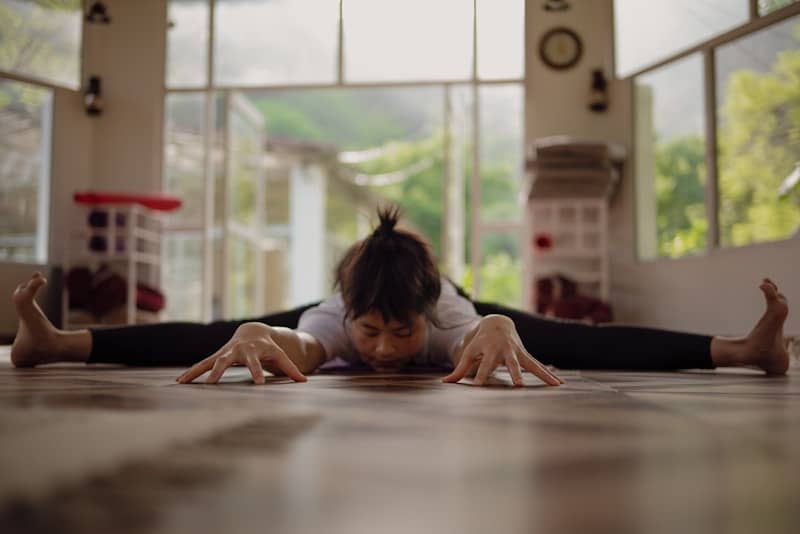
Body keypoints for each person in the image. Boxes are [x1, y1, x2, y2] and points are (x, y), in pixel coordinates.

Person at [9, 206, 790, 387]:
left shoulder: (444, 317)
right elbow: (307, 347)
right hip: (347, 300)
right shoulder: (336, 323)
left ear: (426, 316)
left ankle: (742, 350)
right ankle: (57, 343)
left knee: (557, 333)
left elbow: (471, 328)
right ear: (350, 317)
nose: (382, 351)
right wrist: (266, 335)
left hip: (465, 302)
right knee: (221, 333)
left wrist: (489, 323)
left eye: (398, 335)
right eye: (371, 334)